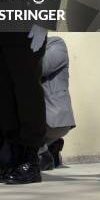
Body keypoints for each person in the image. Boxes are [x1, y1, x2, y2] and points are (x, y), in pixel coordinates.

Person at [0, 0, 61, 185]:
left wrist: (44, 19)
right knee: (3, 91)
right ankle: (14, 158)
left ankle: (31, 160)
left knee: (26, 91)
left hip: (26, 16)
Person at [39, 36, 75, 170]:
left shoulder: (56, 44)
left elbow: (40, 67)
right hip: (32, 116)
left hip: (52, 117)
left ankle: (46, 150)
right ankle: (50, 146)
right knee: (5, 158)